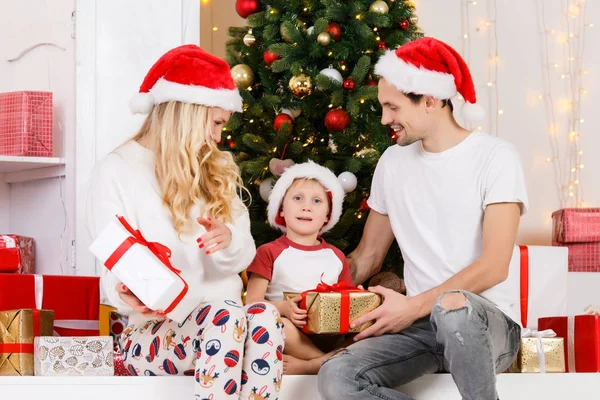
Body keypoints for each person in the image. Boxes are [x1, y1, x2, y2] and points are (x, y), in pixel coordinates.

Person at [317, 37, 528, 400]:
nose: (385, 119)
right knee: (338, 375)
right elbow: (368, 256)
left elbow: (495, 266)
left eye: (392, 107)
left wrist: (413, 306)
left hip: (485, 324)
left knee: (453, 309)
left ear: (430, 100)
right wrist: (314, 291)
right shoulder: (392, 163)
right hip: (423, 329)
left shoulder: (496, 157)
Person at [86, 44, 284, 399]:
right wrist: (126, 291)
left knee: (263, 317)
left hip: (225, 327)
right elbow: (111, 262)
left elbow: (243, 252)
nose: (219, 137)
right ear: (188, 113)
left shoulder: (216, 168)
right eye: (216, 123)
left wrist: (228, 241)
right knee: (225, 316)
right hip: (152, 336)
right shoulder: (116, 170)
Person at [245, 161, 354, 375]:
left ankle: (315, 364)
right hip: (291, 337)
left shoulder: (336, 256)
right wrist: (283, 308)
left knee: (373, 333)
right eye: (297, 199)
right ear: (281, 210)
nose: (307, 207)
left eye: (316, 201)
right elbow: (252, 303)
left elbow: (348, 302)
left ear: (327, 216)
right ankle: (323, 362)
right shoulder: (269, 252)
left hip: (331, 335)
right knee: (280, 326)